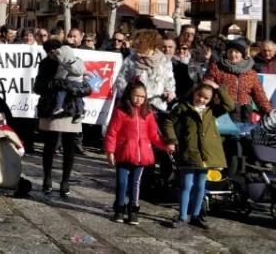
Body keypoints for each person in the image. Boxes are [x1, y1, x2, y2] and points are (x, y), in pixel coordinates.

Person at [163, 79, 234, 229]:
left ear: (210, 99)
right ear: (195, 92)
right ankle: (182, 216)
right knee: (186, 185)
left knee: (201, 185)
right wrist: (171, 140)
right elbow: (168, 121)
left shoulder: (212, 110)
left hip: (206, 154)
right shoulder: (183, 107)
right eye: (199, 95)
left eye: (206, 98)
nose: (201, 99)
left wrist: (218, 88)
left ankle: (196, 215)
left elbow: (230, 105)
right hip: (189, 151)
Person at [103, 81, 169, 225]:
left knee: (136, 183)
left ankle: (133, 210)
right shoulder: (121, 111)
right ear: (129, 95)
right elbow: (112, 133)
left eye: (142, 97)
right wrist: (110, 151)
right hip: (124, 152)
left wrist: (165, 145)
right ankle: (119, 209)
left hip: (141, 154)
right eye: (136, 96)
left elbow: (154, 135)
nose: (139, 99)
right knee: (121, 182)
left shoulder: (148, 113)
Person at [34, 39, 82, 197]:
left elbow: (83, 80)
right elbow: (38, 87)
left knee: (69, 147)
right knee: (49, 145)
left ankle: (65, 181)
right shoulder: (45, 63)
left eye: (57, 50)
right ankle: (47, 179)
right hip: (51, 108)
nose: (55, 54)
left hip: (70, 108)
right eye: (51, 52)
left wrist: (75, 88)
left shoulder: (72, 59)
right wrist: (55, 84)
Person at [204, 38, 271, 122]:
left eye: (236, 52)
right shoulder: (216, 68)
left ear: (242, 54)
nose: (233, 54)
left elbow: (259, 94)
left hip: (244, 112)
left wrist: (269, 112)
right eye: (230, 51)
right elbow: (206, 87)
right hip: (222, 111)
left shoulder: (251, 73)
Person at [113, 30, 176, 115]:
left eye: (140, 42)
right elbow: (120, 80)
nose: (137, 44)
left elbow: (169, 81)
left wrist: (169, 92)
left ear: (150, 44)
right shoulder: (131, 59)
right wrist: (131, 94)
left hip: (157, 106)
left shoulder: (164, 60)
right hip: (134, 106)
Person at [50, 46, 88, 122]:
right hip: (79, 83)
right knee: (78, 99)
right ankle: (80, 112)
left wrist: (56, 79)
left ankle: (59, 106)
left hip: (69, 83)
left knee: (61, 92)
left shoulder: (65, 65)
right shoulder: (79, 60)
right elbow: (83, 71)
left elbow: (60, 77)